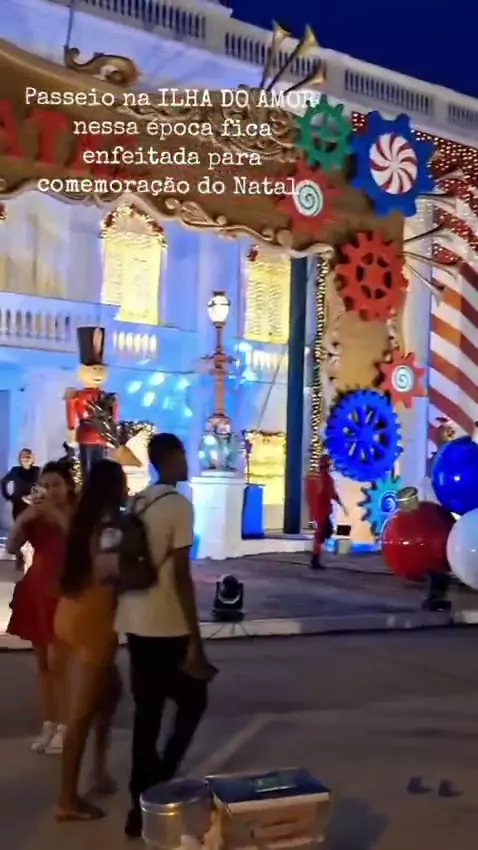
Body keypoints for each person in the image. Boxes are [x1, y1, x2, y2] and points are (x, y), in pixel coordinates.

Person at [116, 433, 216, 839]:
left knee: (147, 714)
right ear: (170, 458)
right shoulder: (178, 505)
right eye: (183, 456)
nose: (187, 462)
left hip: (134, 619)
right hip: (167, 623)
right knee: (194, 700)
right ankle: (160, 781)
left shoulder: (139, 501)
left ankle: (138, 804)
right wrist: (196, 637)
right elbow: (180, 575)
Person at [54, 459, 125, 822]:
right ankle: (67, 797)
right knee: (81, 712)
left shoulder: (84, 520)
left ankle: (98, 770)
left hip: (71, 611)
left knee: (111, 690)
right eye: (123, 482)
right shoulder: (109, 525)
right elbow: (110, 571)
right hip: (93, 620)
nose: (127, 489)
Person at [6, 460, 76, 753]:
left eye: (56, 485)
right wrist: (24, 518)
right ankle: (49, 723)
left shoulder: (76, 514)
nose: (50, 491)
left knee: (61, 663)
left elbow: (80, 545)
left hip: (64, 591)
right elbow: (11, 547)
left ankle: (66, 726)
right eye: (44, 485)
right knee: (43, 665)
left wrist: (56, 514)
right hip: (37, 588)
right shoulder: (35, 516)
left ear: (68, 487)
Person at [1, 449, 40, 570]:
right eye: (24, 457)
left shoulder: (37, 471)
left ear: (32, 459)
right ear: (20, 459)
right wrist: (8, 496)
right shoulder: (15, 470)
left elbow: (42, 485)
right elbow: (3, 482)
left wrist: (36, 498)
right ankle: (19, 557)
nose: (26, 459)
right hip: (18, 505)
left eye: (28, 457)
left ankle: (32, 559)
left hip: (32, 505)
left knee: (33, 531)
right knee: (20, 531)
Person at [307, 455, 347, 570]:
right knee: (322, 535)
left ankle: (315, 559)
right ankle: (315, 560)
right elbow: (331, 494)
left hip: (319, 512)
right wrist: (341, 504)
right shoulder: (326, 479)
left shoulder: (317, 479)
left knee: (322, 534)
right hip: (323, 512)